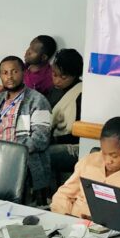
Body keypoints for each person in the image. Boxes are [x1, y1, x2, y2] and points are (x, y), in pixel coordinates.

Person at [0, 55, 52, 198]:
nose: (10, 77)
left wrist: (12, 152)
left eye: (14, 71)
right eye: (5, 73)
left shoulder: (37, 100)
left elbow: (40, 138)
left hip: (20, 159)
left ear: (24, 73)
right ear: (0, 76)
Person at [50, 117, 120, 219]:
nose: (108, 161)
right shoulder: (89, 162)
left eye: (114, 156)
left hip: (111, 227)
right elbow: (64, 194)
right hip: (74, 222)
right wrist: (66, 217)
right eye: (104, 153)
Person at [47, 48, 85, 188]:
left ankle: (47, 195)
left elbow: (78, 135)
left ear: (74, 75)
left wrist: (54, 140)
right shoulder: (54, 91)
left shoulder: (81, 94)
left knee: (42, 155)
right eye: (54, 74)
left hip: (74, 145)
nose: (57, 80)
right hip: (52, 139)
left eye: (63, 77)